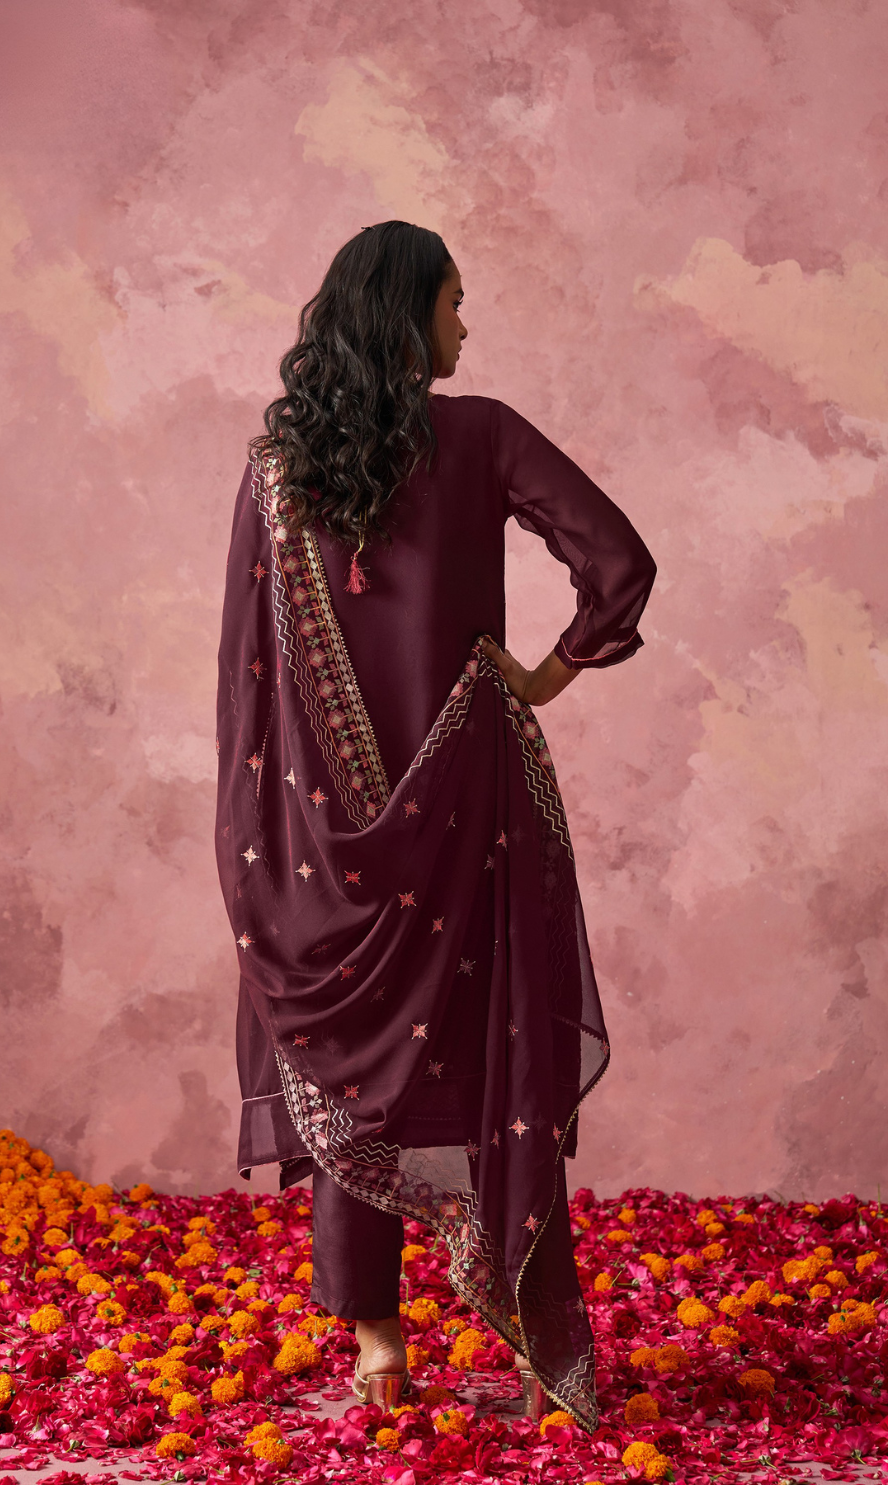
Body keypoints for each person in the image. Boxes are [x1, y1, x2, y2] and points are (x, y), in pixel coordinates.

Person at [215, 221, 656, 1428]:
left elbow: (251, 684)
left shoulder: (276, 470)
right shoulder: (484, 435)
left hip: (323, 836)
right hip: (470, 814)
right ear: (407, 316)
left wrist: (271, 841)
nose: (466, 323)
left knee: (352, 1063)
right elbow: (617, 561)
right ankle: (534, 1348)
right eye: (455, 301)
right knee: (497, 1056)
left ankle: (378, 1349)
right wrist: (545, 677)